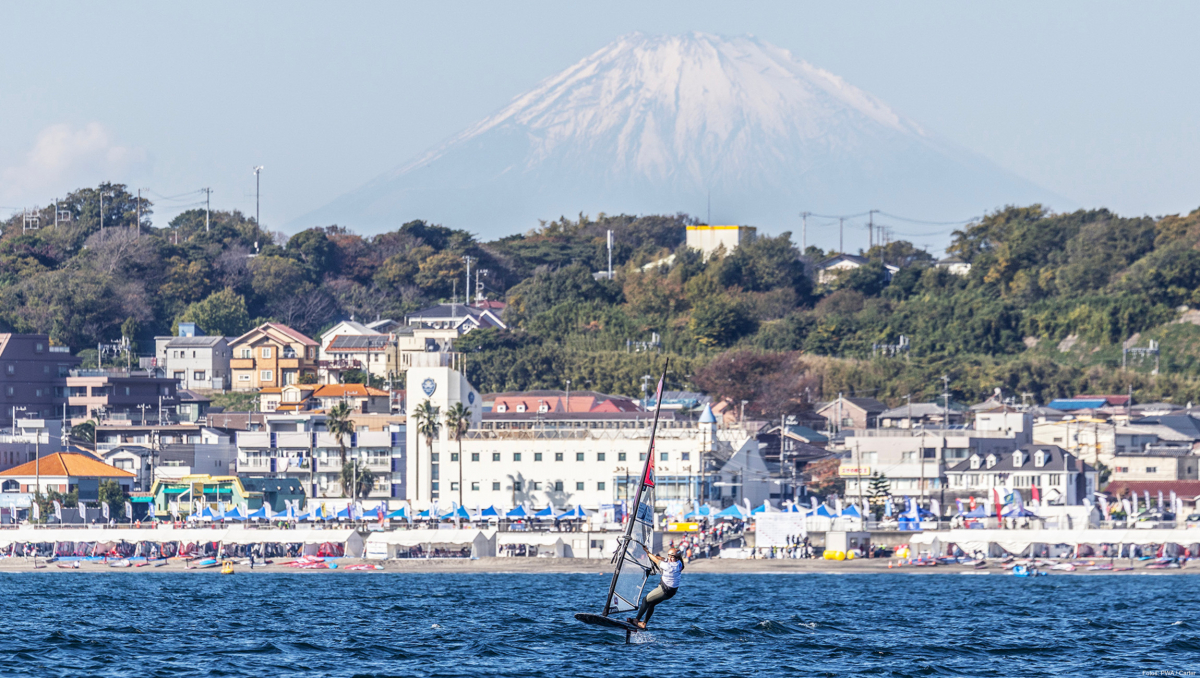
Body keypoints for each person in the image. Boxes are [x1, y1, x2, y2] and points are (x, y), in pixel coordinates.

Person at [629, 548, 684, 630]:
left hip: (664, 590)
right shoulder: (679, 563)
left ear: (677, 558)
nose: (670, 559)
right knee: (651, 604)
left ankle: (636, 620)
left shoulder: (670, 566)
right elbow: (664, 559)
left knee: (645, 600)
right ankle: (643, 623)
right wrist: (654, 556)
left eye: (672, 557)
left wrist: (648, 552)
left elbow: (656, 561)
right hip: (671, 591)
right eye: (669, 556)